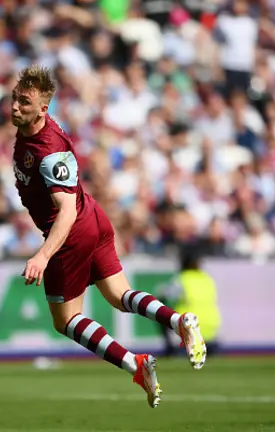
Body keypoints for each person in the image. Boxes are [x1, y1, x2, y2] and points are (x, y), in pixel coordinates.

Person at [11, 65, 207, 408]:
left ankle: (135, 364)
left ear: (43, 109)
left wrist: (43, 255)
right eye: (14, 99)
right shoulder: (37, 129)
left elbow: (66, 211)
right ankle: (178, 321)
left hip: (72, 230)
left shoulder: (47, 151)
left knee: (66, 320)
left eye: (24, 102)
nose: (15, 107)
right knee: (119, 295)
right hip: (95, 218)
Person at [157, 248, 221, 357]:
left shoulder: (183, 279)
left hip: (189, 328)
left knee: (158, 311)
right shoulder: (207, 278)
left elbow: (163, 294)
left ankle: (171, 350)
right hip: (211, 327)